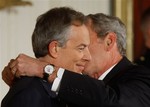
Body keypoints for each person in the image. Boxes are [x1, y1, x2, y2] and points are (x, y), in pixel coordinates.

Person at [2, 13, 150, 107]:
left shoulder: (141, 77)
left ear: (109, 41)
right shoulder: (39, 89)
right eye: (80, 47)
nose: (86, 56)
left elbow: (111, 101)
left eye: (87, 45)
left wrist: (45, 70)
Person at [1, 7, 91, 107]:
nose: (88, 57)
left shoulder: (61, 91)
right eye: (81, 48)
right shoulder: (30, 93)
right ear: (55, 48)